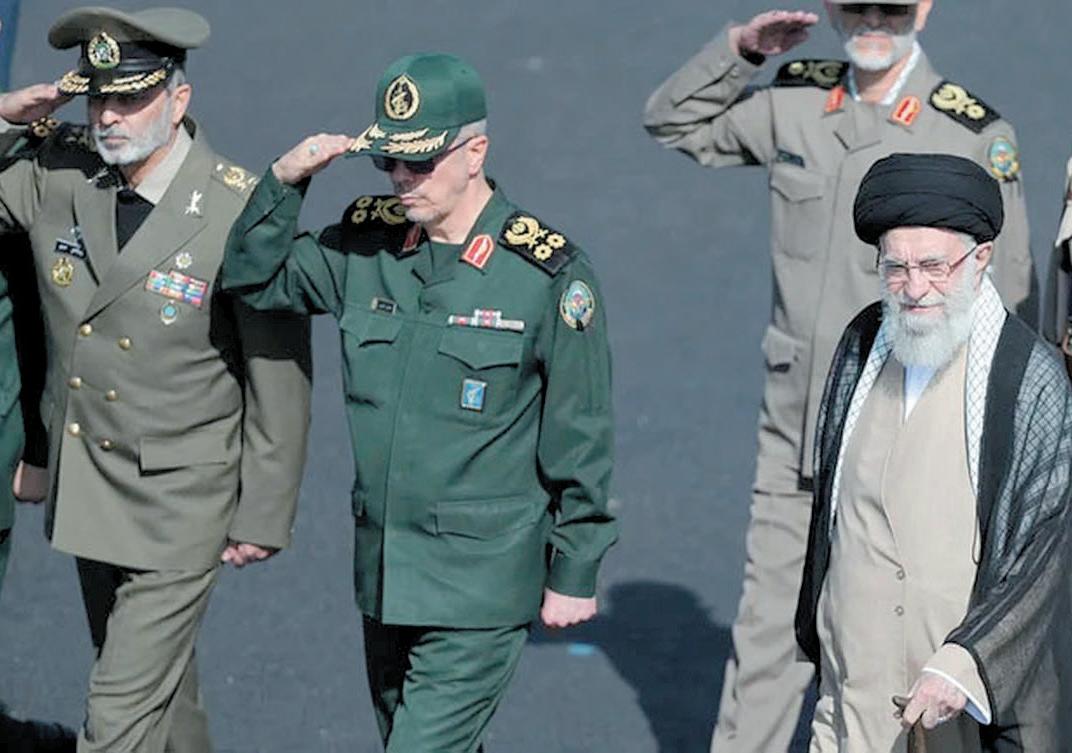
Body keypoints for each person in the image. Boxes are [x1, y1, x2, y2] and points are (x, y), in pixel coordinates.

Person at [642, 3, 1035, 750]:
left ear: (924, 7)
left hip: (911, 447)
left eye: (892, 7)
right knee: (765, 636)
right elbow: (674, 121)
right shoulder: (796, 102)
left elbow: (1011, 301)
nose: (873, 21)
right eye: (855, 6)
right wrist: (741, 52)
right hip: (799, 432)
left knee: (903, 645)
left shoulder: (969, 133)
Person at [219, 53, 618, 751]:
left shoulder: (544, 275)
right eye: (389, 162)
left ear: (475, 153)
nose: (402, 178)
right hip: (386, 572)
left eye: (420, 162)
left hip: (480, 583)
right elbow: (256, 279)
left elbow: (579, 431)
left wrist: (575, 568)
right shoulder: (365, 250)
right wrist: (284, 179)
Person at [0, 7, 312, 751]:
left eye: (132, 98)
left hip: (181, 501)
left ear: (178, 98)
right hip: (91, 486)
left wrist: (264, 511)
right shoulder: (60, 174)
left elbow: (277, 372)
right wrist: (4, 114)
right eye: (98, 98)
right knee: (160, 698)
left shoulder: (237, 207)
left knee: (115, 715)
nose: (109, 117)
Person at [796, 152, 1072, 752]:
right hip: (847, 699)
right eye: (896, 267)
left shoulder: (1029, 378)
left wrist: (966, 662)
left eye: (933, 266)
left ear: (981, 257)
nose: (914, 288)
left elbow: (1045, 550)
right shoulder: (861, 344)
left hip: (956, 707)